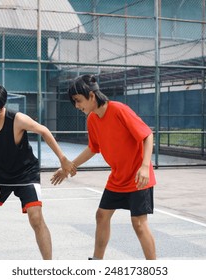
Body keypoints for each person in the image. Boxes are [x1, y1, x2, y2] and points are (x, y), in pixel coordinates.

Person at [51, 74, 157, 260]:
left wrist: (145, 166)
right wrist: (69, 166)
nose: (77, 106)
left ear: (92, 96)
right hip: (118, 178)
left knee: (139, 224)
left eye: (78, 101)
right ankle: (97, 262)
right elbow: (94, 148)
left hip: (138, 177)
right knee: (101, 216)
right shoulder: (92, 119)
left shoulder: (119, 110)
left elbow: (147, 135)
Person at [0, 83, 75, 260]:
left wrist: (62, 159)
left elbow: (44, 131)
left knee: (36, 218)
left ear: (4, 105)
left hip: (25, 174)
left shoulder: (17, 119)